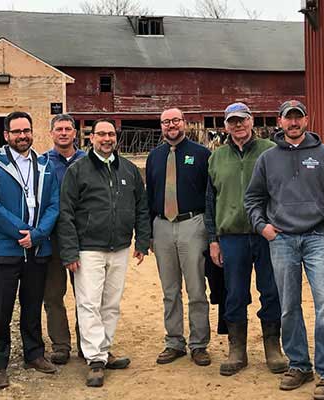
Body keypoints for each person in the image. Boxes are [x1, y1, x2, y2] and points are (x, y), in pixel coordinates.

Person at [244, 100, 324, 399]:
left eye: (298, 117)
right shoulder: (268, 159)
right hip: (282, 240)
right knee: (289, 305)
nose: (293, 123)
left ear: (306, 120)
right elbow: (253, 198)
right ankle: (299, 365)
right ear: (279, 122)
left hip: (318, 237)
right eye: (288, 118)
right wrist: (262, 226)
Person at [58, 119, 150, 387]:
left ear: (116, 137)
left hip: (120, 247)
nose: (106, 138)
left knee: (111, 303)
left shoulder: (130, 170)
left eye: (110, 134)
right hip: (88, 249)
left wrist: (141, 241)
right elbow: (66, 213)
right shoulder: (78, 170)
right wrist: (69, 251)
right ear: (91, 138)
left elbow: (141, 207)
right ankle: (95, 359)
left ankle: (104, 349)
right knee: (88, 303)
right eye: (101, 134)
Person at [0, 111, 60, 389]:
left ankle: (34, 353)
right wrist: (21, 232)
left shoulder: (45, 164)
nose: (22, 136)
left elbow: (53, 204)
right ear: (6, 135)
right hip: (4, 247)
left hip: (37, 248)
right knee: (1, 308)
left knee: (33, 303)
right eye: (16, 132)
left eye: (26, 130)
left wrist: (37, 235)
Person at [205, 102, 286, 376]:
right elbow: (210, 201)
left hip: (266, 235)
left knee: (271, 290)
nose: (237, 125)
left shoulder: (271, 151)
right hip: (231, 237)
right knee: (235, 293)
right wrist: (213, 239)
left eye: (242, 120)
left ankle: (273, 347)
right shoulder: (216, 157)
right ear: (225, 125)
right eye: (232, 121)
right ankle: (236, 348)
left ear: (251, 121)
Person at [146, 108, 212, 367]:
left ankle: (199, 344)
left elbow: (210, 194)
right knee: (169, 290)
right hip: (162, 226)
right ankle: (174, 341)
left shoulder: (201, 154)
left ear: (184, 123)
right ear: (161, 126)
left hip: (192, 224)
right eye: (165, 122)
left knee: (196, 288)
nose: (171, 125)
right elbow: (150, 194)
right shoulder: (154, 156)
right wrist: (150, 233)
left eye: (175, 120)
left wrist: (209, 230)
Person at [44, 113, 86, 364]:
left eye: (68, 129)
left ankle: (87, 342)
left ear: (75, 133)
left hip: (83, 236)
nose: (63, 133)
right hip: (53, 237)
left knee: (85, 294)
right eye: (58, 129)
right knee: (53, 293)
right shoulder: (42, 163)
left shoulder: (88, 161)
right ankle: (60, 344)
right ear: (51, 133)